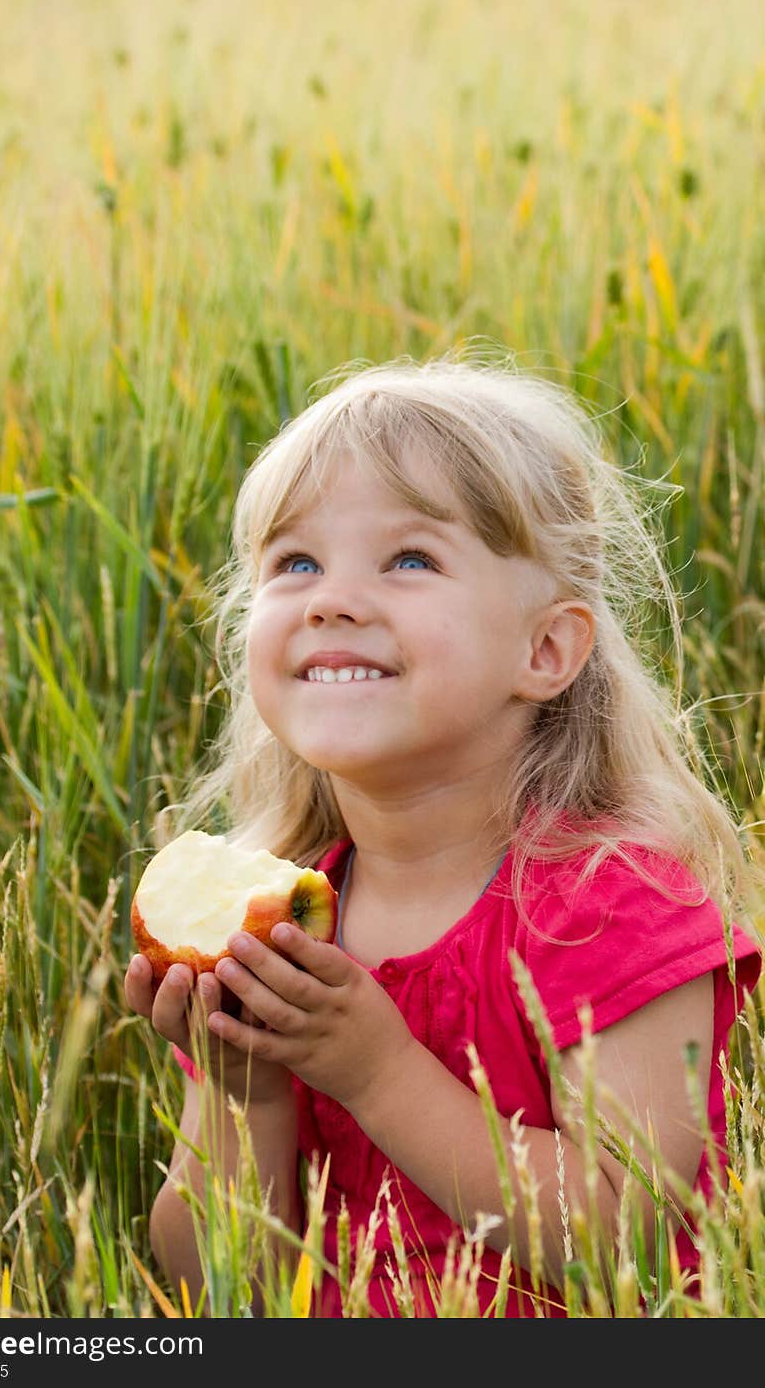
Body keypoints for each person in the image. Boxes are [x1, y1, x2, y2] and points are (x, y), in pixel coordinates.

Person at [124, 350, 763, 1317]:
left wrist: (376, 1073)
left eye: (410, 560)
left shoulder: (612, 904)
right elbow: (223, 1289)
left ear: (545, 650)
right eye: (295, 563)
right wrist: (242, 1094)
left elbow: (627, 1234)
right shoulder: (280, 915)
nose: (331, 598)